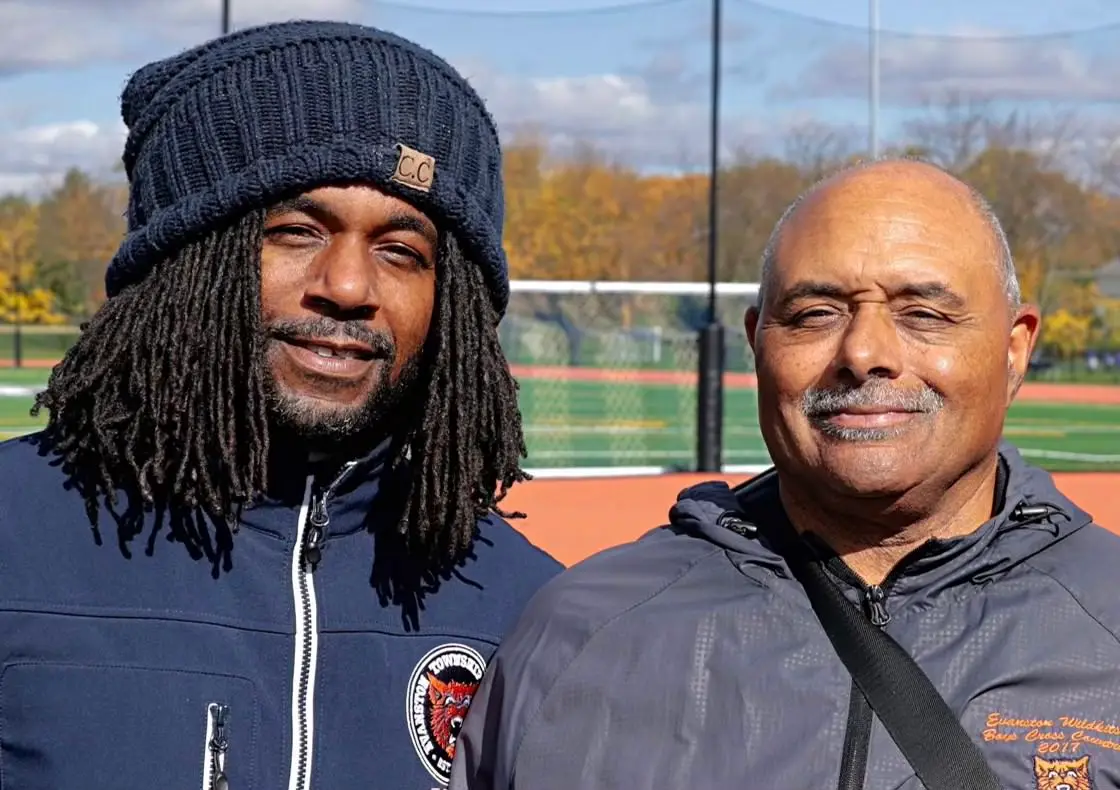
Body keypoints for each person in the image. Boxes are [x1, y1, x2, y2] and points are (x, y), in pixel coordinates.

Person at [0, 20, 561, 790]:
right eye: (296, 231)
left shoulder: (531, 607)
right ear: (185, 259)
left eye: (401, 251)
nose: (350, 287)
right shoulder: (15, 537)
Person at [450, 158, 1120, 790]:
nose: (863, 353)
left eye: (923, 313)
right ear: (757, 344)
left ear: (1014, 350)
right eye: (814, 315)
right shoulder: (582, 630)